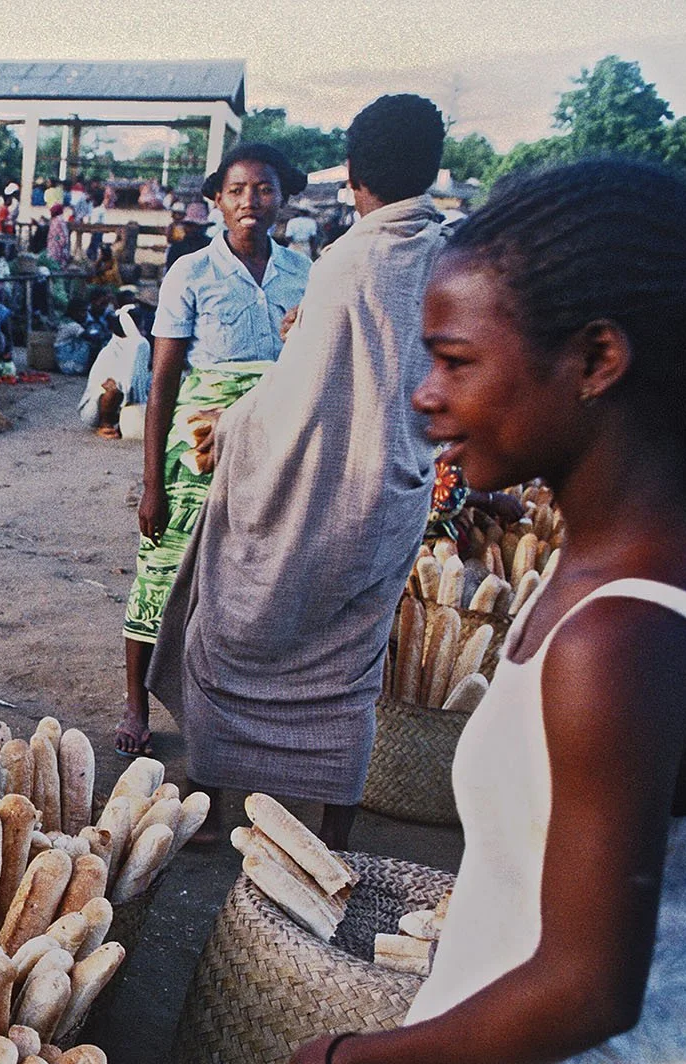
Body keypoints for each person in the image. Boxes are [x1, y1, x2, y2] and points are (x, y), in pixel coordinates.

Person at [229, 158, 686, 1064]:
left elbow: (592, 984)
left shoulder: (624, 635)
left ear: (596, 360)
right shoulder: (633, 548)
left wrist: (356, 1061)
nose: (422, 394)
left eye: (455, 360)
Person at [148, 94, 451, 849]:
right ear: (433, 168)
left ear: (351, 175)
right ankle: (333, 832)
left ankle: (213, 806)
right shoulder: (453, 255)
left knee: (223, 634)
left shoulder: (345, 259)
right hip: (393, 497)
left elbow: (299, 396)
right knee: (349, 673)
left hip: (317, 490)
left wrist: (231, 425)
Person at [119, 143, 311, 759]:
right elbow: (162, 386)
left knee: (253, 575)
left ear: (282, 197)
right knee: (163, 569)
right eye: (236, 190)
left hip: (272, 445)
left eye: (263, 188)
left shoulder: (303, 274)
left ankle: (240, 707)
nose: (250, 201)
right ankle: (135, 699)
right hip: (196, 449)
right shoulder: (191, 274)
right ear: (218, 202)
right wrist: (153, 483)